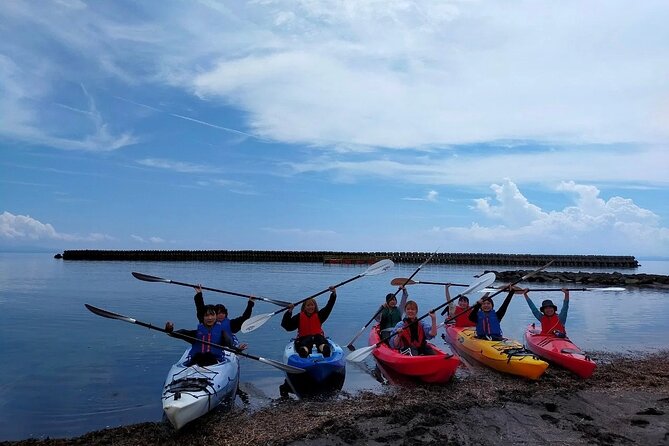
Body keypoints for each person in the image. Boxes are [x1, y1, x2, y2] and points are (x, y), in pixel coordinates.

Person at [281, 286, 337, 358]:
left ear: (315, 306)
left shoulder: (320, 315)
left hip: (318, 337)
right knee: (305, 343)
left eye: (312, 305)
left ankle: (324, 349)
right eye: (308, 305)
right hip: (304, 338)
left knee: (321, 341)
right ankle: (304, 351)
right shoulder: (299, 317)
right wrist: (289, 311)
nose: (310, 307)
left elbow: (329, 306)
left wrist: (333, 293)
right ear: (304, 307)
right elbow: (287, 326)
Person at [193, 285, 253, 350]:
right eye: (218, 313)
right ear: (214, 314)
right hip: (209, 345)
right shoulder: (207, 322)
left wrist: (250, 303)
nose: (221, 315)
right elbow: (200, 309)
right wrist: (199, 293)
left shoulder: (231, 324)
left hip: (227, 347)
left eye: (223, 313)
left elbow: (245, 317)